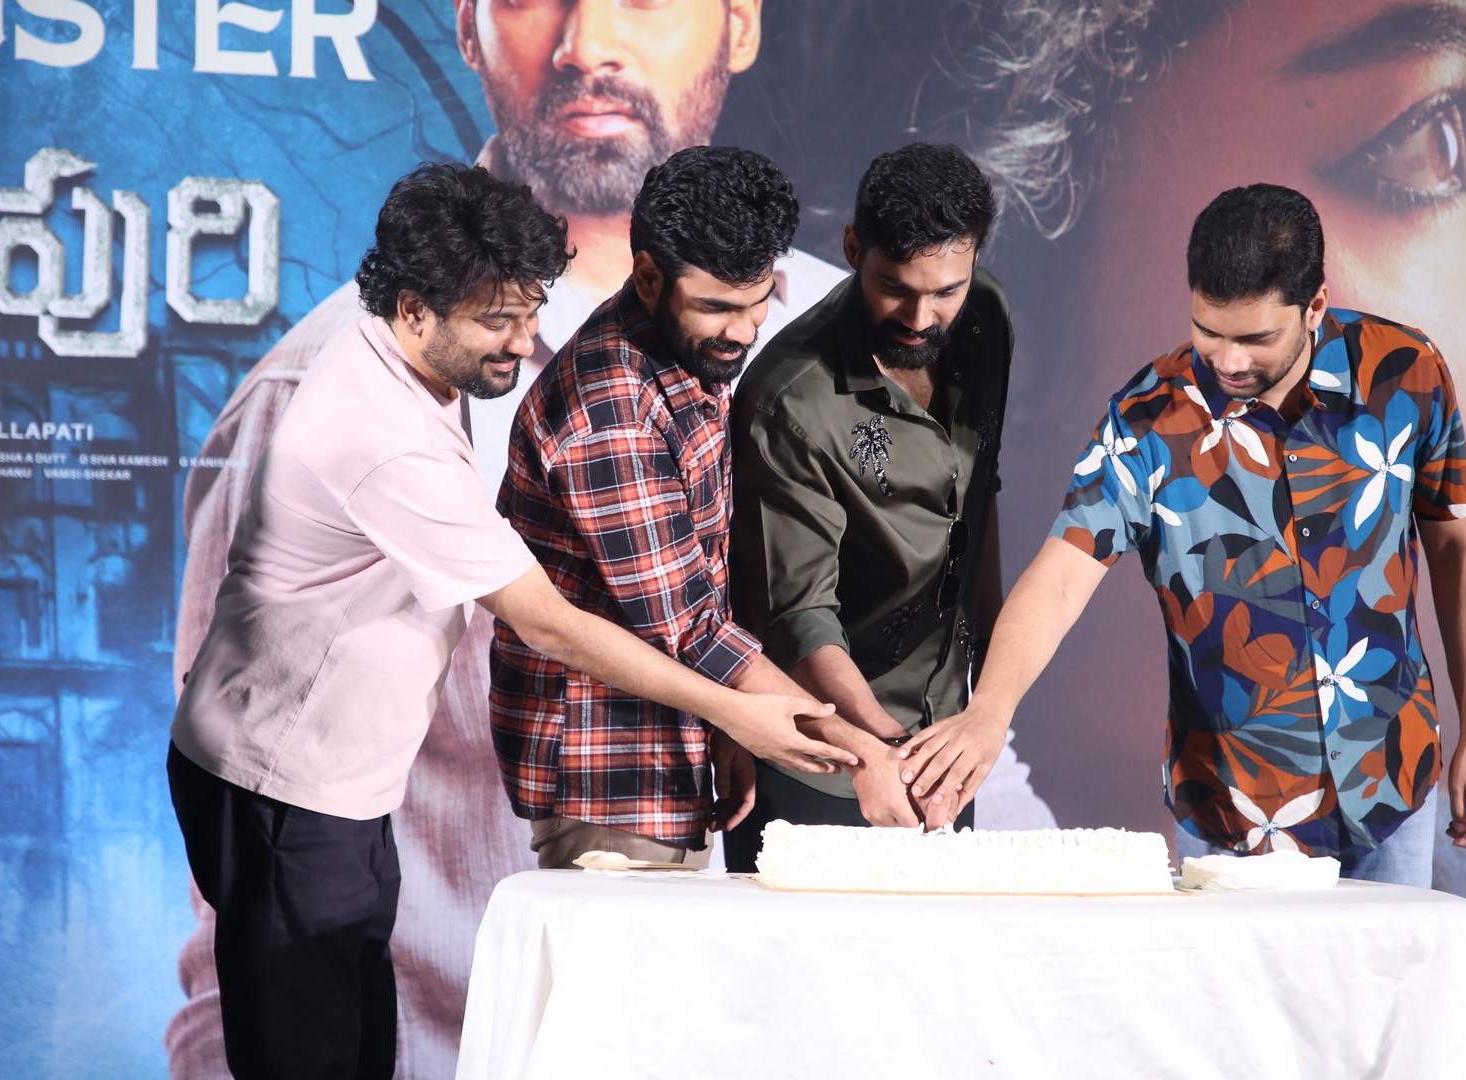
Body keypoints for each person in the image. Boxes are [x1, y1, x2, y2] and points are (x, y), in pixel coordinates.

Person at [167, 3, 844, 1075]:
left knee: (352, 1015)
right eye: (501, 325)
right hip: (282, 789)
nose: (528, 346)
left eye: (533, 313)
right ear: (410, 308)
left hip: (343, 790)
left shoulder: (441, 363)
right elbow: (556, 626)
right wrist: (743, 715)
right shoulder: (373, 425)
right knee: (313, 1047)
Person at [900, 184, 1466, 889]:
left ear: (1315, 306)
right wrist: (990, 710)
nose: (1228, 361)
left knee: (1388, 1000)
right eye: (1207, 331)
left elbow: (1459, 548)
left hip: (1393, 783)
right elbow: (1063, 572)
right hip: (1232, 815)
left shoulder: (1407, 373)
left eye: (1255, 339)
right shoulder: (1149, 416)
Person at [491, 145, 835, 866]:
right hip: (607, 777)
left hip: (671, 743)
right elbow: (691, 629)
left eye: (758, 300)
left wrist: (725, 728)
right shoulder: (611, 410)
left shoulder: (686, 354)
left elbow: (698, 572)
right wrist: (861, 754)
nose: (742, 331)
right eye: (715, 307)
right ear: (647, 276)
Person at [721, 143, 1011, 870]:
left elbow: (978, 505)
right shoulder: (788, 399)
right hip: (821, 756)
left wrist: (985, 703)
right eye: (894, 287)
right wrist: (882, 748)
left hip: (944, 743)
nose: (920, 317)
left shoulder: (985, 323)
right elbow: (799, 617)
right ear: (853, 248)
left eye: (946, 289)